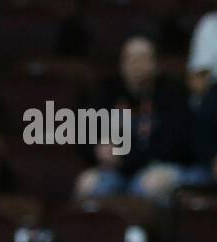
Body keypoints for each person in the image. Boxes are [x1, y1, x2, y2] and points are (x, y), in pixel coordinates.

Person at [74, 35, 199, 204]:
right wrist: (97, 149)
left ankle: (149, 231)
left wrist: (124, 157)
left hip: (160, 166)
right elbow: (85, 135)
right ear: (121, 64)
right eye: (130, 59)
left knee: (148, 184)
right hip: (116, 170)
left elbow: (174, 146)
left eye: (142, 59)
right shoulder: (106, 93)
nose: (136, 65)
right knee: (88, 184)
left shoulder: (173, 94)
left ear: (155, 64)